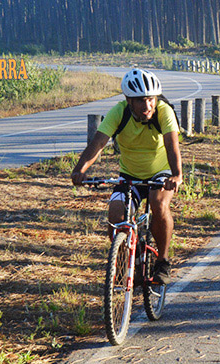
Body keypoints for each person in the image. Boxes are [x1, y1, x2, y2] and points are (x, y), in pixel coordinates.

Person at [71, 68, 183, 284]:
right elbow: (98, 143)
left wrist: (177, 175)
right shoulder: (119, 112)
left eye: (151, 99)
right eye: (140, 100)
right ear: (128, 100)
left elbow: (172, 146)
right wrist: (80, 169)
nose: (147, 105)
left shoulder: (163, 112)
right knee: (115, 215)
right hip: (129, 175)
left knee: (158, 204)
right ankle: (127, 260)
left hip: (160, 173)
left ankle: (163, 261)